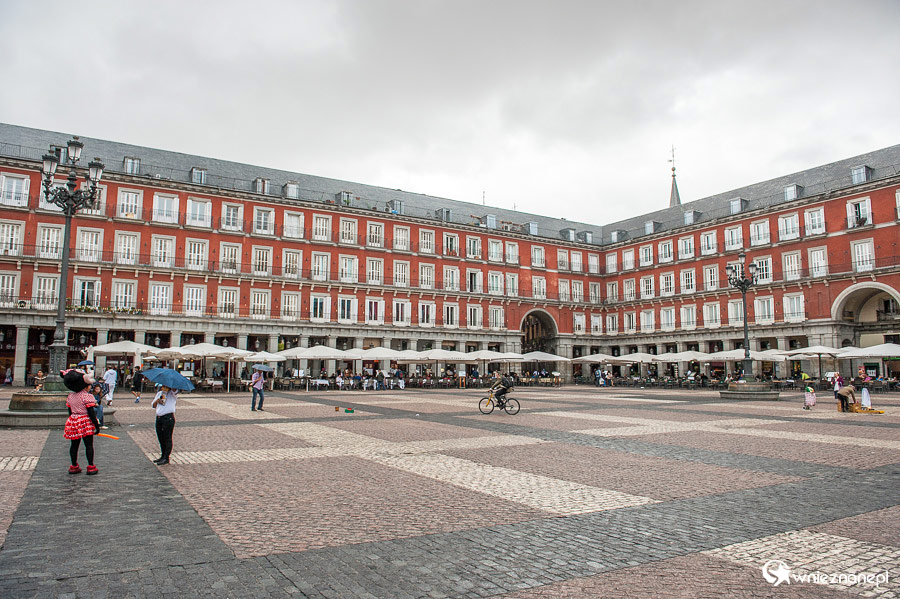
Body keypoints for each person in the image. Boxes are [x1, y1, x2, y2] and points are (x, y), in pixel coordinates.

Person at [62, 369, 100, 475]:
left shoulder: (70, 396)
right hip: (85, 421)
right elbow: (91, 412)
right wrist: (96, 425)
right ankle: (91, 466)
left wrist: (72, 420)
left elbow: (69, 411)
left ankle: (74, 466)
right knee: (89, 445)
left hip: (74, 420)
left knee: (74, 445)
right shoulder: (87, 396)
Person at [152, 385, 177, 465]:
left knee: (167, 438)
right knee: (161, 437)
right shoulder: (159, 393)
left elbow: (175, 390)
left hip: (168, 417)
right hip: (159, 417)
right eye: (163, 386)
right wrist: (157, 400)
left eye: (165, 386)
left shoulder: (172, 394)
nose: (163, 387)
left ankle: (166, 457)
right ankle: (162, 455)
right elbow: (153, 405)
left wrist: (171, 388)